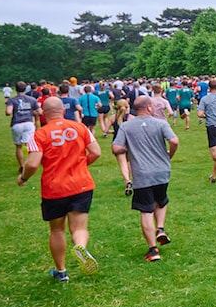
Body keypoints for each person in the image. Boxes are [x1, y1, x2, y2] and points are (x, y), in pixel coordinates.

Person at [18, 97, 100, 281]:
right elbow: (96, 152)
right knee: (79, 227)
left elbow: (32, 164)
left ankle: (61, 271)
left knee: (57, 230)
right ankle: (81, 246)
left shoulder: (39, 134)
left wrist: (23, 178)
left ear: (43, 113)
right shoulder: (80, 127)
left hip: (54, 188)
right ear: (63, 110)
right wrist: (81, 165)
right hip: (81, 184)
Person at [112, 96, 179, 262]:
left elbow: (116, 148)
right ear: (149, 107)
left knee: (146, 210)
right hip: (162, 170)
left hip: (142, 173)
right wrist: (169, 154)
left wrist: (130, 147)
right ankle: (160, 229)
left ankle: (153, 250)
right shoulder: (161, 123)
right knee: (161, 200)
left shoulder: (126, 126)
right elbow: (174, 141)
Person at [6, 81, 41, 173]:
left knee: (18, 147)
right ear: (25, 89)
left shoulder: (12, 100)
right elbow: (40, 112)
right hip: (29, 123)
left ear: (16, 89)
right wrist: (31, 111)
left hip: (17, 124)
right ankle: (30, 164)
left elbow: (8, 112)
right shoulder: (32, 99)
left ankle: (22, 166)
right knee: (30, 145)